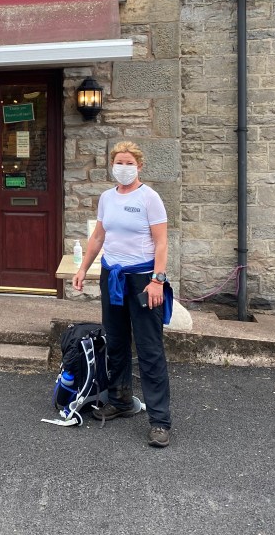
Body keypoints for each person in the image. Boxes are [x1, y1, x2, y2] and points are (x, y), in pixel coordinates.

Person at [72, 141, 173, 448]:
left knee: (149, 348)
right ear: (112, 165)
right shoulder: (107, 198)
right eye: (119, 162)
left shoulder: (149, 198)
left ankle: (159, 421)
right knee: (115, 341)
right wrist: (83, 268)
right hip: (112, 276)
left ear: (139, 166)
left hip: (143, 280)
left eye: (129, 163)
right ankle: (121, 400)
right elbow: (98, 236)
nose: (124, 167)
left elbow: (161, 242)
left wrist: (157, 280)